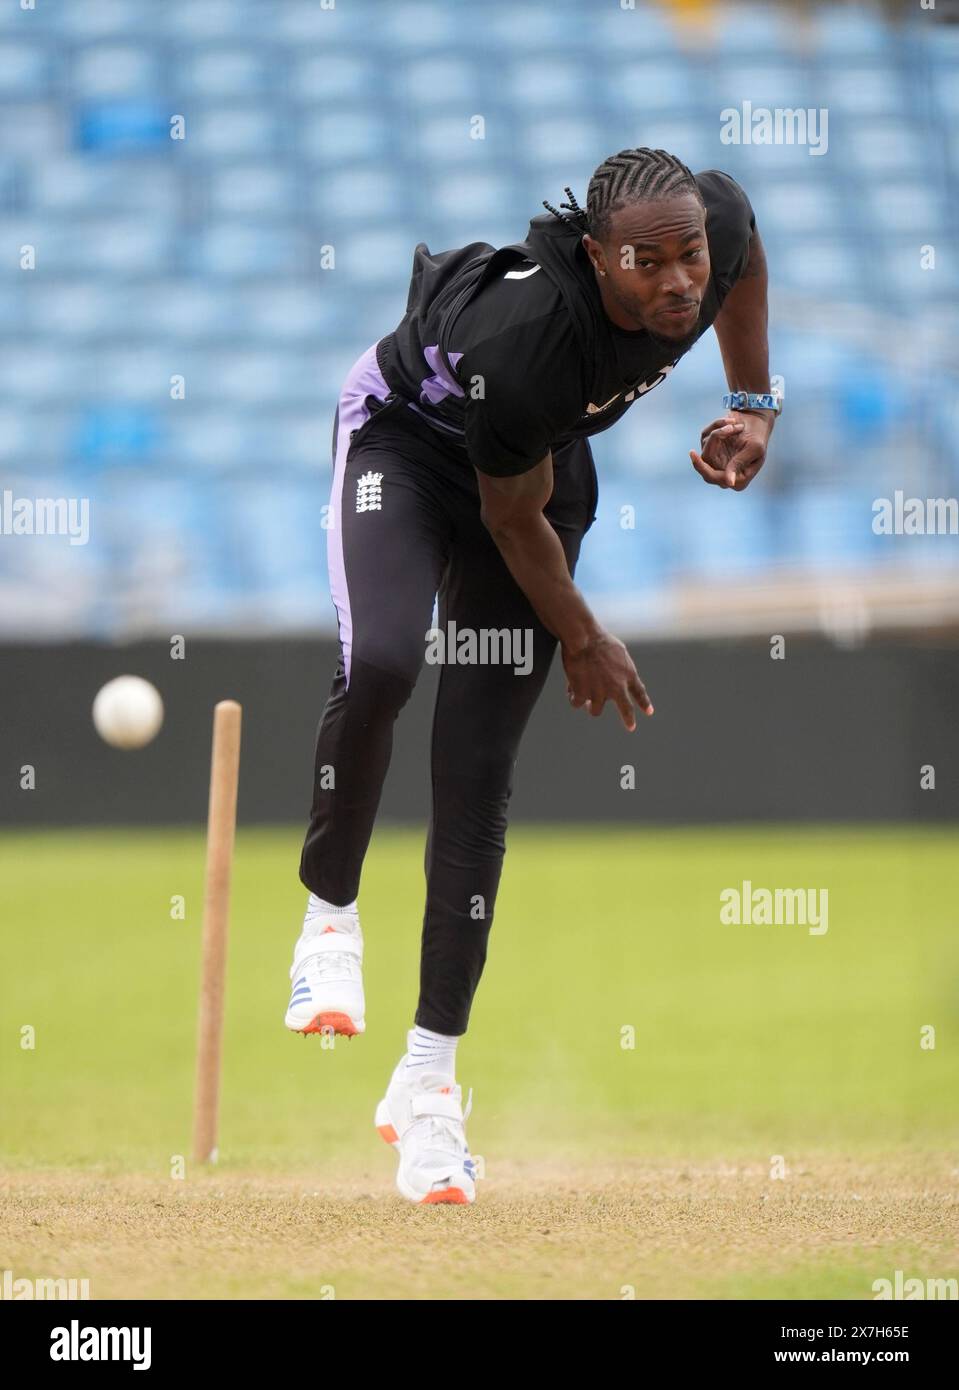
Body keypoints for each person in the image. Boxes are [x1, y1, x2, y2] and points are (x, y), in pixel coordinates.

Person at [284, 147, 778, 1204]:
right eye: (646, 264)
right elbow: (503, 523)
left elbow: (746, 263)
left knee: (476, 773)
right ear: (597, 260)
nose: (679, 282)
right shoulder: (528, 341)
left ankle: (427, 1087)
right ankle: (328, 914)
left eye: (687, 256)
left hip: (535, 468)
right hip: (410, 450)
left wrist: (752, 400)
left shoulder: (711, 240)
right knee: (381, 660)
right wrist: (585, 635)